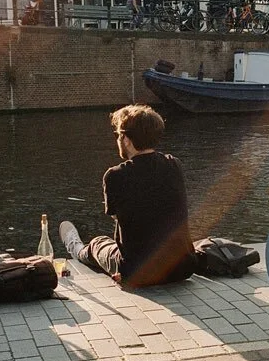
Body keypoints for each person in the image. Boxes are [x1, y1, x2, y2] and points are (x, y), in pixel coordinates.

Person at [59, 104, 195, 288]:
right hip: (183, 267)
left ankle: (76, 248)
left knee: (98, 244)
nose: (118, 140)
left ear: (127, 140)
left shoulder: (114, 175)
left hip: (138, 273)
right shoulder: (174, 165)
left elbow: (117, 217)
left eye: (118, 135)